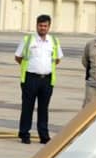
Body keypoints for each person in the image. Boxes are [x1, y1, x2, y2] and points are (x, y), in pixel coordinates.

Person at [14, 14, 63, 144]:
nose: (42, 28)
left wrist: (45, 68)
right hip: (30, 78)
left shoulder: (53, 41)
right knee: (27, 107)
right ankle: (24, 133)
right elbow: (18, 57)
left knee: (43, 108)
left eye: (45, 26)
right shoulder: (28, 40)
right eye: (40, 25)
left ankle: (44, 135)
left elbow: (57, 59)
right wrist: (31, 67)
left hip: (47, 79)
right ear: (36, 26)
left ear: (49, 27)